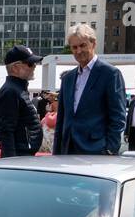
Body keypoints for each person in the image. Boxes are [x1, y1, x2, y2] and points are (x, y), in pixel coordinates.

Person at [52, 25, 125, 156]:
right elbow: (61, 119)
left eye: (82, 45)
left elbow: (118, 117)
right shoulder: (67, 78)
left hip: (96, 152)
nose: (78, 51)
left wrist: (109, 150)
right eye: (74, 47)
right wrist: (56, 152)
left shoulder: (110, 74)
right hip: (67, 151)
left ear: (93, 43)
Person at [0, 44, 46, 158]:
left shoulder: (16, 89)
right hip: (19, 156)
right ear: (15, 67)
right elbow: (6, 131)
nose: (34, 66)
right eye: (30, 63)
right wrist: (11, 164)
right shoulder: (11, 91)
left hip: (23, 154)